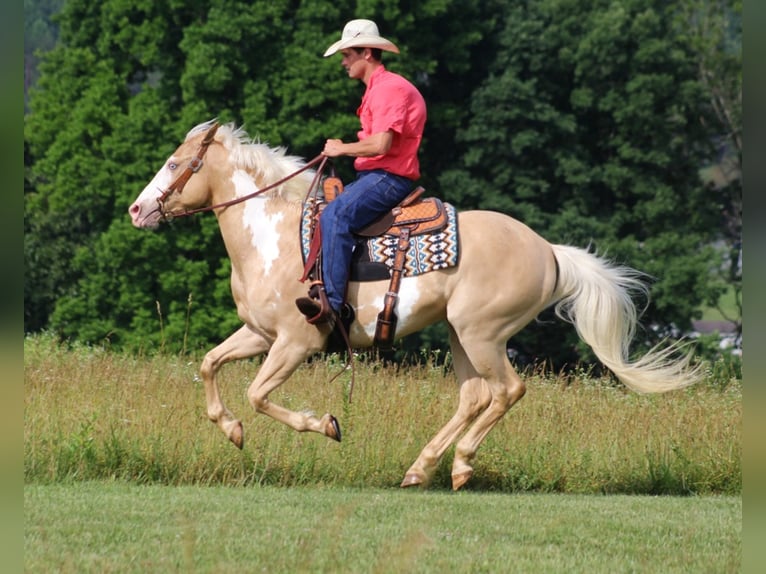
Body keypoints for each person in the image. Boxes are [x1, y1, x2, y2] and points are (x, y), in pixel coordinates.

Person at [296, 19, 427, 325]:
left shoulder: (389, 89)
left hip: (388, 178)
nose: (343, 62)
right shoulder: (379, 89)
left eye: (347, 55)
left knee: (335, 216)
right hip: (377, 176)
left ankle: (332, 307)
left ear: (367, 52)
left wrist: (341, 149)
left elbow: (381, 143)